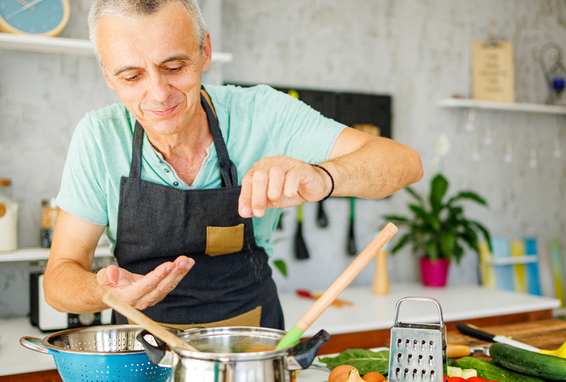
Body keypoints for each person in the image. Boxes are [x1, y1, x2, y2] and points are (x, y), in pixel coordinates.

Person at [43, 0, 423, 330]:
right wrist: (102, 290)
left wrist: (323, 177)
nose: (158, 94)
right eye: (132, 76)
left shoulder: (261, 114)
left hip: (251, 354)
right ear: (108, 75)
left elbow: (405, 163)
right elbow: (58, 279)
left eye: (174, 67)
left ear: (204, 51)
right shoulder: (98, 137)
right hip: (140, 357)